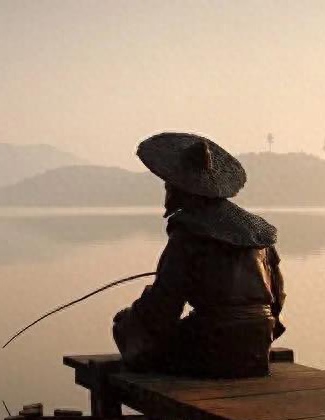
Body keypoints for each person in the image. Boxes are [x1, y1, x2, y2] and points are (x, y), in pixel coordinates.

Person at [113, 132, 286, 378]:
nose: (167, 190)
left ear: (180, 189)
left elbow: (164, 308)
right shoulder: (256, 231)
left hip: (212, 348)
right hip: (258, 346)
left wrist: (131, 318)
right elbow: (277, 299)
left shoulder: (188, 233)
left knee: (124, 328)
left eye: (168, 185)